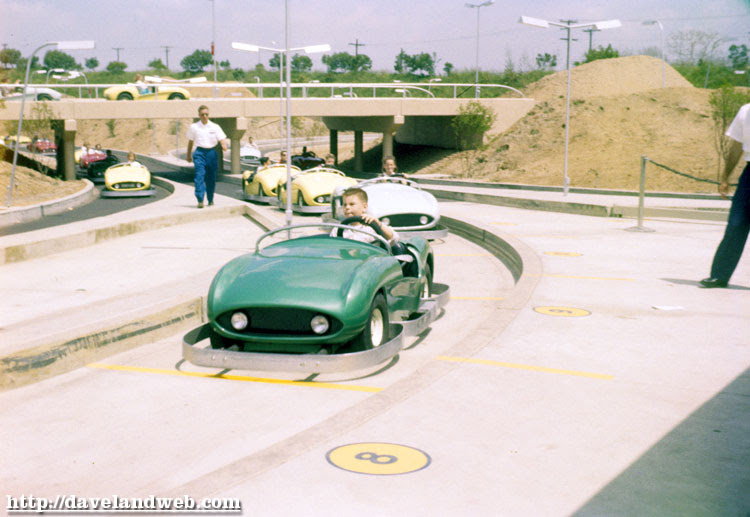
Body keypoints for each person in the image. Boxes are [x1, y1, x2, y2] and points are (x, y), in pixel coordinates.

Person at [700, 103, 750, 288]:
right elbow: (736, 147)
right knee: (736, 224)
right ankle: (720, 276)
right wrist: (725, 177)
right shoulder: (745, 111)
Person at [186, 105, 229, 208]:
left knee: (211, 177)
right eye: (202, 114)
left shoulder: (215, 126)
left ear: (209, 115)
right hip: (199, 153)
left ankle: (210, 199)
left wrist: (224, 145)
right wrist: (188, 155)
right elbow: (190, 142)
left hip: (211, 153)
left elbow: (222, 138)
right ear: (199, 115)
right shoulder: (194, 127)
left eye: (206, 114)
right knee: (199, 176)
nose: (204, 116)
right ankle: (200, 199)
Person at [331, 187, 397, 244]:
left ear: (364, 207)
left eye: (352, 204)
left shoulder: (372, 227)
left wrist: (378, 224)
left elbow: (393, 239)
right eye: (345, 205)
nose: (347, 207)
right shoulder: (338, 229)